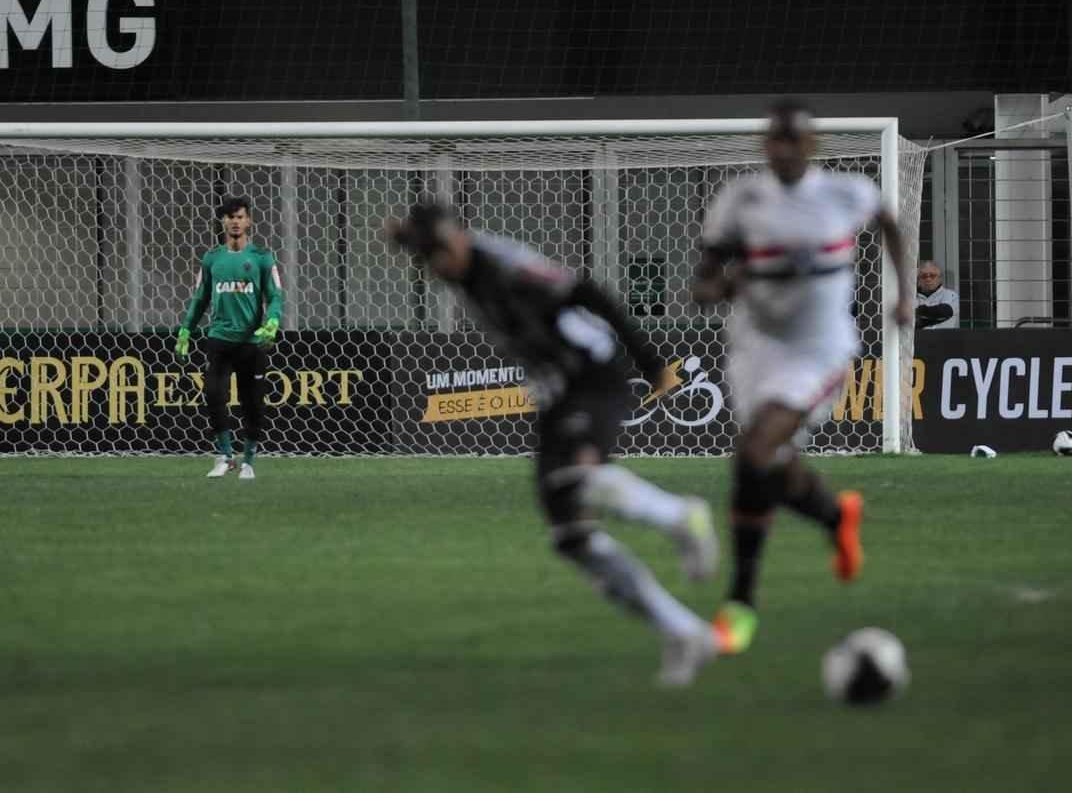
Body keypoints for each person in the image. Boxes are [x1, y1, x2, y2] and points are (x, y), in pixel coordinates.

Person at [386, 202, 719, 686]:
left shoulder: (505, 263)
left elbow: (589, 292)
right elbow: (423, 240)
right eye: (428, 257)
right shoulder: (453, 261)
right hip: (556, 395)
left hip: (593, 375)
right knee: (572, 538)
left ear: (462, 233)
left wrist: (650, 361)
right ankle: (685, 632)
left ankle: (681, 516)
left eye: (441, 250)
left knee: (583, 479)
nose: (438, 265)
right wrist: (404, 236)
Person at [692, 98, 912, 654]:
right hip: (754, 347)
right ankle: (837, 516)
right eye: (774, 139)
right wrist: (719, 288)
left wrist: (904, 293)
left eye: (793, 139)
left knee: (755, 453)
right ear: (765, 145)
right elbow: (704, 280)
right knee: (770, 462)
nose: (783, 148)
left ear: (813, 145)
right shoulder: (740, 200)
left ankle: (740, 603)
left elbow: (889, 223)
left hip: (818, 350)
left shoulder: (845, 192)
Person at [176, 194, 283, 480]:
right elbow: (201, 298)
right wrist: (187, 327)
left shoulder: (262, 257)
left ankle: (248, 461)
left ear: (248, 221)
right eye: (230, 217)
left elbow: (274, 297)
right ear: (222, 221)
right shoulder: (212, 258)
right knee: (213, 394)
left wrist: (272, 321)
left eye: (240, 216)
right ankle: (225, 456)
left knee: (253, 404)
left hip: (252, 342)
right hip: (219, 338)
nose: (235, 222)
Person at [915, 261, 959, 329]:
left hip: (943, 338)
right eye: (924, 276)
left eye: (932, 275)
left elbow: (944, 312)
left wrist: (917, 312)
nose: (928, 279)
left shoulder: (951, 295)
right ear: (919, 279)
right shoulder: (910, 297)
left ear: (940, 278)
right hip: (918, 339)